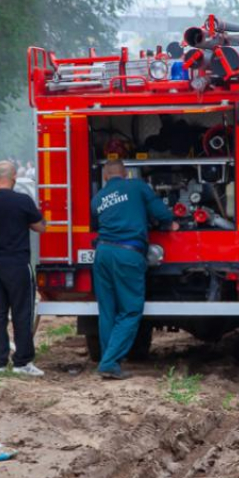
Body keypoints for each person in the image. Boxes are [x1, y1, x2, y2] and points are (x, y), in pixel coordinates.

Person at [91, 159, 178, 380]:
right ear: (125, 173)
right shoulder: (137, 186)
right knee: (130, 310)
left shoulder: (98, 198)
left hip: (102, 253)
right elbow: (162, 213)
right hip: (127, 253)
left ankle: (107, 358)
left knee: (107, 309)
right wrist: (170, 223)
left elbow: (96, 223)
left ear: (105, 177)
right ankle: (109, 363)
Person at [0, 161, 46, 376]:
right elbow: (40, 227)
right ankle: (22, 363)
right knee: (22, 312)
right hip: (17, 264)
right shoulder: (22, 201)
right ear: (14, 177)